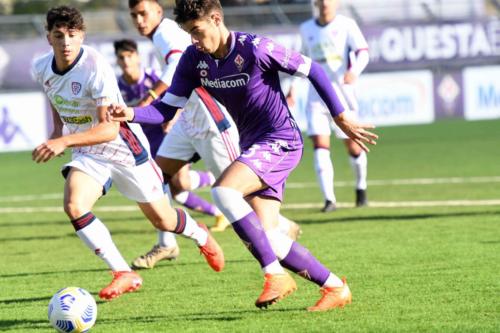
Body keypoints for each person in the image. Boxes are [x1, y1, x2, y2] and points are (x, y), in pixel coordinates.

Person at [109, 0, 377, 311]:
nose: (193, 41)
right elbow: (166, 109)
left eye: (197, 31)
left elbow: (312, 69)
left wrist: (341, 116)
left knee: (224, 191)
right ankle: (334, 287)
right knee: (269, 239)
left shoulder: (256, 48)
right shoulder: (194, 59)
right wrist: (131, 113)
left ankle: (274, 275)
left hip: (281, 140)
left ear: (216, 18)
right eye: (188, 33)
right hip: (253, 145)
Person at [31, 5, 224, 301]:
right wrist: (58, 130)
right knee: (74, 204)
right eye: (59, 35)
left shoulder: (95, 67)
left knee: (163, 221)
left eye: (72, 35)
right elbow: (54, 95)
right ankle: (123, 272)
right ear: (49, 38)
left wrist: (64, 142)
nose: (66, 42)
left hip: (123, 148)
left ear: (82, 36)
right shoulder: (41, 67)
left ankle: (199, 233)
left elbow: (109, 129)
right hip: (88, 152)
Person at [126, 0, 301, 269]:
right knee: (160, 174)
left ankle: (283, 228)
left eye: (143, 13)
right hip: (187, 119)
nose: (139, 20)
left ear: (158, 11)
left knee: (236, 194)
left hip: (210, 120)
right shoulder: (173, 33)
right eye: (134, 15)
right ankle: (167, 243)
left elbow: (175, 67)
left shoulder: (165, 32)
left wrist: (150, 97)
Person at [114, 38, 228, 268]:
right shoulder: (118, 86)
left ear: (137, 56)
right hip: (146, 142)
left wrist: (173, 117)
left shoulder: (156, 77)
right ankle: (212, 213)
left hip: (171, 133)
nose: (126, 61)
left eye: (129, 56)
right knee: (171, 188)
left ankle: (219, 186)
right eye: (121, 58)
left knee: (180, 183)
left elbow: (180, 96)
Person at [290, 0, 370, 212]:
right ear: (316, 3)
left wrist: (355, 71)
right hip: (316, 99)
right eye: (321, 0)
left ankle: (361, 187)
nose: (325, 3)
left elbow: (363, 51)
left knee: (353, 146)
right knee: (320, 146)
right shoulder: (306, 28)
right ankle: (329, 200)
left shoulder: (347, 25)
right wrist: (292, 88)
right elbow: (301, 62)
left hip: (342, 96)